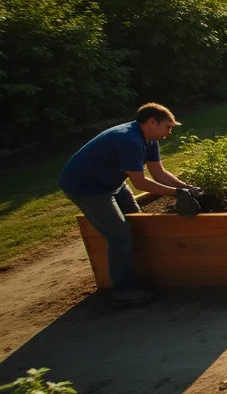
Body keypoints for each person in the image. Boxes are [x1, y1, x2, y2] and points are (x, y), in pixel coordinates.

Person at [59, 103, 193, 307]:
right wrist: (176, 193)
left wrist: (188, 187)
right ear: (152, 122)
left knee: (137, 222)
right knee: (119, 235)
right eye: (168, 126)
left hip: (112, 182)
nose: (170, 131)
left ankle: (138, 274)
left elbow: (159, 174)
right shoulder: (128, 139)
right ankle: (123, 290)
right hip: (87, 188)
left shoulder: (149, 139)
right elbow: (140, 183)